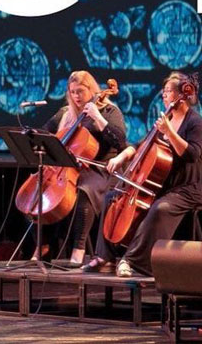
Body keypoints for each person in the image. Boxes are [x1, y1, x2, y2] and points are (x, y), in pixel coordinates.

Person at [85, 71, 202, 277]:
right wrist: (121, 157)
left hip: (188, 187)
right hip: (164, 186)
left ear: (182, 95)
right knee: (111, 198)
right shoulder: (165, 119)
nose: (164, 95)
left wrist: (169, 132)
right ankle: (104, 256)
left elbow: (192, 155)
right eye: (164, 91)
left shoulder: (195, 122)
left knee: (160, 209)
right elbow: (142, 145)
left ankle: (132, 261)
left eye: (168, 91)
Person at [41, 70, 126, 266]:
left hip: (103, 169)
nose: (76, 96)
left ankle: (78, 251)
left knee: (83, 192)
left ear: (91, 90)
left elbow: (120, 141)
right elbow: (45, 133)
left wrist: (97, 117)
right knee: (42, 191)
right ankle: (43, 247)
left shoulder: (109, 111)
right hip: (72, 169)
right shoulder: (65, 113)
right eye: (72, 92)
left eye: (80, 91)